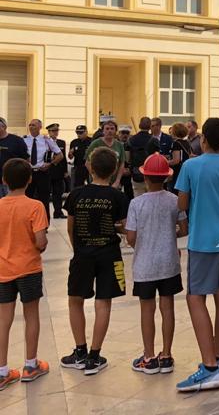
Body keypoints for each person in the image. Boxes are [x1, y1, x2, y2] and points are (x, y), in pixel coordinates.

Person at [173, 118, 219, 392]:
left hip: (203, 241)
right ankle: (218, 356)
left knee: (195, 297)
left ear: (203, 138)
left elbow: (182, 203)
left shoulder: (191, 166)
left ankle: (209, 366)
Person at [60, 147, 128, 375]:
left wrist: (78, 248)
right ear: (114, 171)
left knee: (75, 300)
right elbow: (125, 227)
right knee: (103, 302)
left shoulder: (76, 194)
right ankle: (94, 355)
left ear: (90, 167)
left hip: (82, 254)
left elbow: (70, 227)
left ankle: (80, 350)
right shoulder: (118, 197)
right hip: (109, 254)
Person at [125, 154, 188, 374]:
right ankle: (167, 355)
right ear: (167, 177)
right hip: (169, 262)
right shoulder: (174, 200)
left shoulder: (136, 203)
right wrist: (168, 236)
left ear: (145, 177)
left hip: (145, 266)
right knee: (167, 308)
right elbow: (184, 229)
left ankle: (149, 357)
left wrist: (143, 244)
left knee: (147, 309)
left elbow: (130, 237)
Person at [0, 158, 49, 387]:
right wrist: (41, 245)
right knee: (31, 315)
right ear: (29, 179)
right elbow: (40, 242)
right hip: (29, 269)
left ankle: (2, 371)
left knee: (3, 319)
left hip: (3, 270)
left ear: (4, 180)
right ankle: (30, 365)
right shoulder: (35, 206)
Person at [23, 119, 63, 222]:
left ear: (40, 127)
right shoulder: (24, 140)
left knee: (44, 199)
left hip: (43, 173)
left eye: (34, 125)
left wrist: (50, 164)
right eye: (30, 125)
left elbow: (60, 155)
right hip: (29, 172)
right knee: (27, 198)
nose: (31, 127)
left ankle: (44, 223)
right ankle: (28, 221)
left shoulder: (46, 140)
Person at [86, 121, 125, 189]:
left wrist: (117, 181)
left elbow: (121, 164)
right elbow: (87, 163)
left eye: (112, 129)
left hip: (113, 182)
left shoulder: (119, 145)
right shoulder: (95, 143)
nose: (109, 131)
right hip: (97, 182)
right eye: (107, 129)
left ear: (115, 131)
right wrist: (94, 177)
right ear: (103, 131)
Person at [128, 118, 160, 198]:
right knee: (151, 198)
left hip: (136, 173)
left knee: (138, 197)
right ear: (150, 126)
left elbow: (127, 158)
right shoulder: (154, 140)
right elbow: (157, 157)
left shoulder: (131, 139)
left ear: (139, 125)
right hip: (151, 174)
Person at [0, 117, 28, 198]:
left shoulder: (17, 141)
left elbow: (25, 160)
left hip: (12, 181)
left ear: (4, 127)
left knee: (11, 202)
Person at [45, 123, 68, 219]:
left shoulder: (61, 142)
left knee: (58, 193)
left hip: (58, 171)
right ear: (49, 132)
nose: (55, 132)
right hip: (47, 171)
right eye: (53, 131)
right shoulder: (45, 142)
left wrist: (65, 171)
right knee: (45, 193)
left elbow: (64, 157)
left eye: (57, 130)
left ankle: (58, 212)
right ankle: (45, 213)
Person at [168, 123, 193, 193]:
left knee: (175, 192)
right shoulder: (187, 142)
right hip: (186, 170)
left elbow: (176, 160)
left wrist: (165, 162)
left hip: (177, 172)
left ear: (174, 131)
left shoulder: (176, 143)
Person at [69, 125, 92, 190]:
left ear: (86, 132)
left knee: (91, 184)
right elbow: (70, 157)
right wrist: (70, 154)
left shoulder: (91, 141)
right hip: (78, 166)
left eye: (81, 133)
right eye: (77, 133)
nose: (79, 134)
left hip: (89, 167)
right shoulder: (74, 142)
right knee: (78, 186)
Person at [117, 126, 134, 201]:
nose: (125, 135)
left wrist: (130, 169)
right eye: (123, 133)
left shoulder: (132, 145)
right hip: (117, 174)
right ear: (119, 134)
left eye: (127, 133)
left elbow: (135, 159)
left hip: (128, 174)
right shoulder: (115, 145)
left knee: (129, 195)